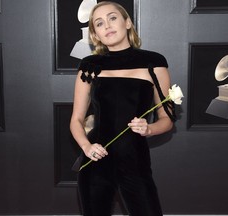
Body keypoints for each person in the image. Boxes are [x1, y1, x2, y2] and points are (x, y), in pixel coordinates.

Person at [70, 1, 176, 215]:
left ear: (127, 22)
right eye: (99, 23)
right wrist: (86, 147)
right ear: (96, 35)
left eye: (112, 18)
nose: (107, 25)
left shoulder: (153, 62)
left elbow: (167, 118)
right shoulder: (90, 66)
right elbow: (76, 120)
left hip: (135, 162)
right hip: (95, 162)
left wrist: (149, 129)